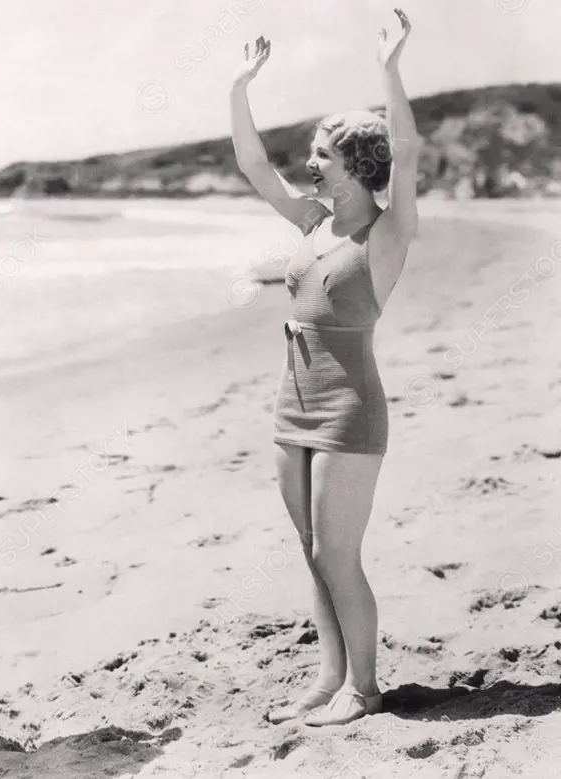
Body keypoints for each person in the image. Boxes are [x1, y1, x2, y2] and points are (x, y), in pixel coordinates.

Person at [229, 9, 418, 726]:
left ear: (359, 165)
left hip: (349, 408)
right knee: (311, 552)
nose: (310, 162)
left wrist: (390, 71)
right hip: (292, 402)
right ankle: (330, 673)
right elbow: (253, 165)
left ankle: (364, 687)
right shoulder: (312, 221)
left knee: (339, 553)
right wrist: (239, 86)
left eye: (321, 153)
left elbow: (408, 148)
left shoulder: (388, 231)